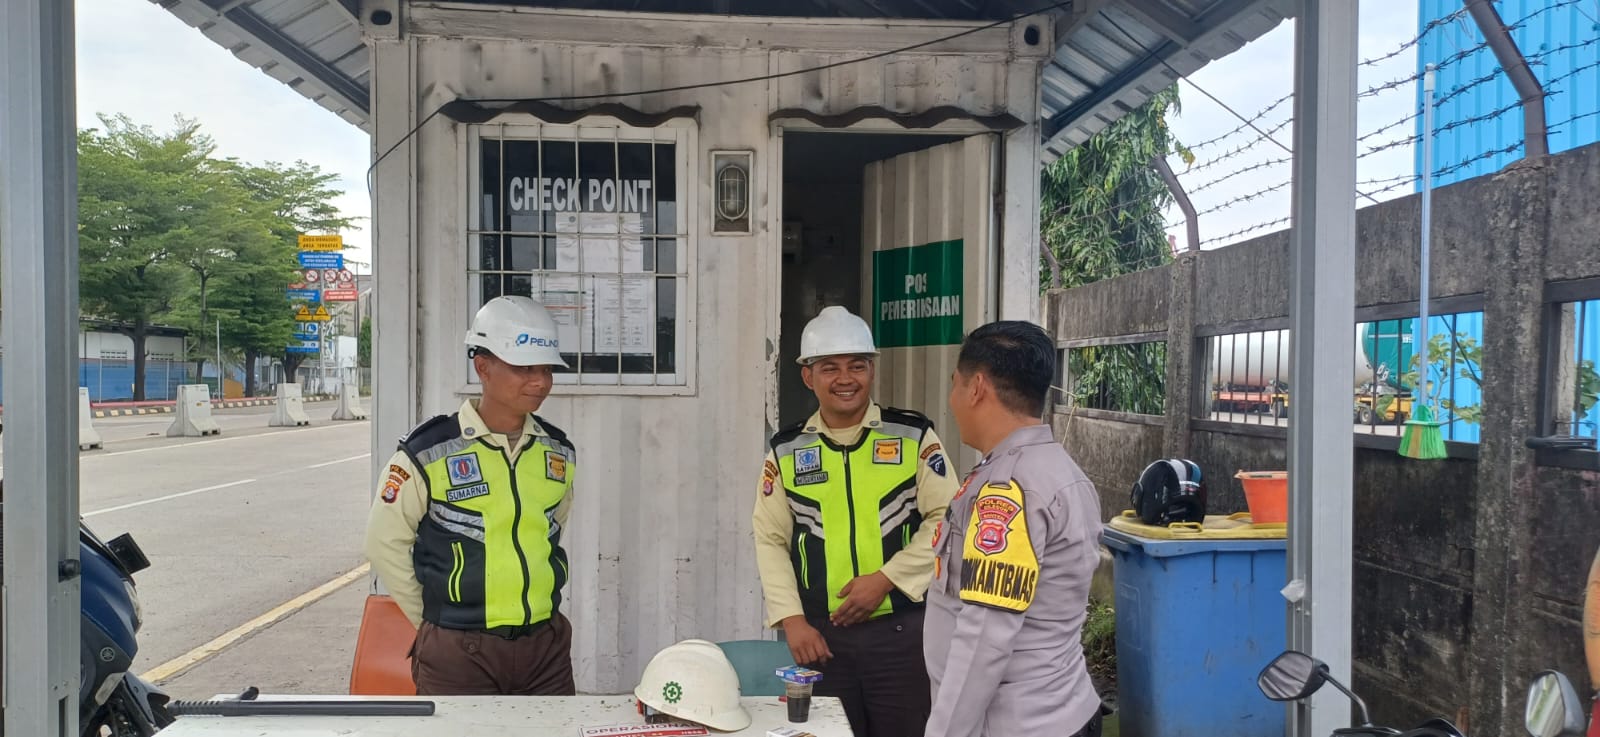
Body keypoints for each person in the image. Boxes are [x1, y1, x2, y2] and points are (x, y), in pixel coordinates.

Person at [752, 305, 958, 737]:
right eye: (830, 367)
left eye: (857, 366)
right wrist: (792, 620)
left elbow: (948, 517)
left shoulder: (913, 435)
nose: (845, 379)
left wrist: (886, 579)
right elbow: (770, 538)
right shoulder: (787, 450)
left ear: (872, 371)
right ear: (808, 376)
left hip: (903, 635)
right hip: (820, 641)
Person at [363, 295, 578, 696]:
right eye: (524, 368)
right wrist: (434, 622)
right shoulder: (428, 451)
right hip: (457, 654)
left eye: (547, 369)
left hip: (545, 651)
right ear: (483, 367)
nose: (540, 382)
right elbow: (383, 542)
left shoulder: (558, 452)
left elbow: (551, 531)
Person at [924, 320, 1105, 737]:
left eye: (955, 385)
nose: (952, 400)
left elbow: (985, 635)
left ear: (976, 388)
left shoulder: (1008, 491)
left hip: (1018, 724)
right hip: (1059, 712)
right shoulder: (1060, 471)